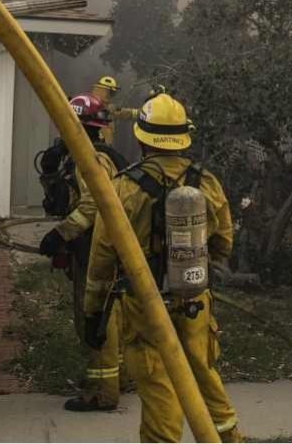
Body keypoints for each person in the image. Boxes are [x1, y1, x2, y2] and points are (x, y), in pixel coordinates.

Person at [81, 92, 242, 442]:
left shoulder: (122, 187)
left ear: (141, 138)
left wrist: (93, 311)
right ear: (183, 136)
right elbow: (224, 243)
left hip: (145, 306)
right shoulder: (207, 182)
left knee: (158, 386)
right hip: (195, 298)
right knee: (203, 373)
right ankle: (228, 438)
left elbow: (102, 257)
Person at [36, 93, 129, 411]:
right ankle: (117, 378)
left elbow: (94, 203)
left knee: (94, 316)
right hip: (104, 243)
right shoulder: (92, 154)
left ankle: (102, 392)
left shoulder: (90, 159)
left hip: (95, 246)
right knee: (109, 313)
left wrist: (59, 235)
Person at [89, 75, 138, 144]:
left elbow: (125, 113)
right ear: (106, 92)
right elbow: (125, 113)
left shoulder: (89, 103)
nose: (112, 95)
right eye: (112, 93)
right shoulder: (106, 109)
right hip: (97, 148)